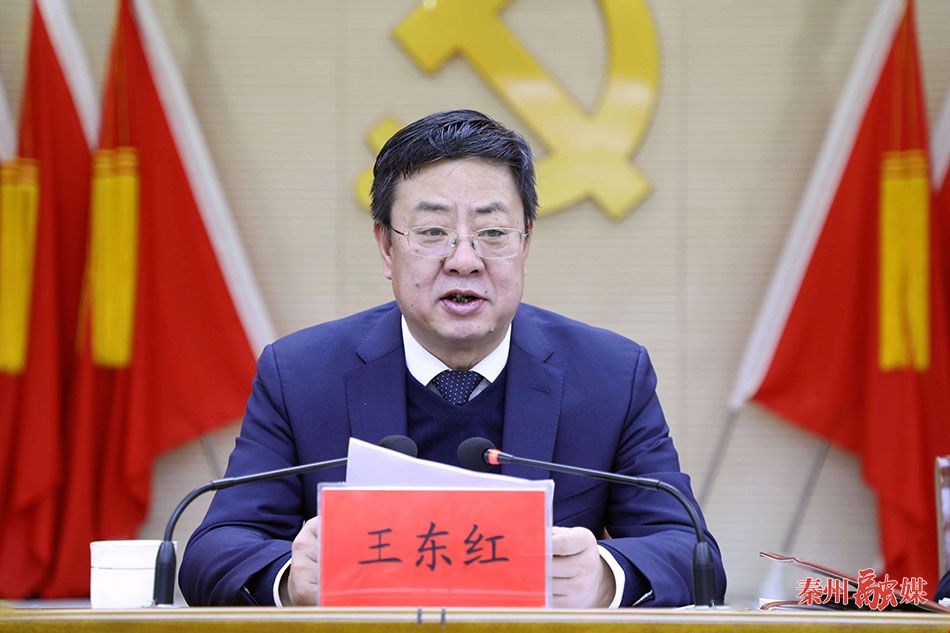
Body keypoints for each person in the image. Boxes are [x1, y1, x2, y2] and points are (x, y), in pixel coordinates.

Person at [179, 109, 726, 608]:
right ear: (386, 248)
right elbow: (215, 550)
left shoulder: (610, 375)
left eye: (493, 233)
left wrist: (604, 577)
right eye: (433, 232)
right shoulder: (301, 375)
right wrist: (290, 578)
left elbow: (692, 553)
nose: (464, 260)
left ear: (526, 243)